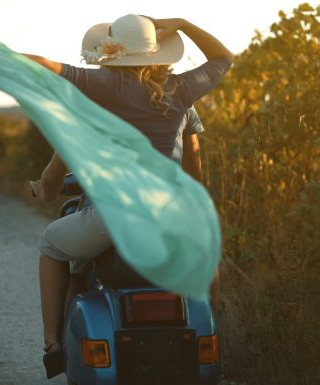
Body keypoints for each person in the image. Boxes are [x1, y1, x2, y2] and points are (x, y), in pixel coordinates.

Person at [23, 14, 232, 377]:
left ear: (112, 55)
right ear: (158, 53)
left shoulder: (100, 90)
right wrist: (182, 23)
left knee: (52, 246)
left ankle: (53, 344)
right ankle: (213, 336)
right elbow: (224, 58)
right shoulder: (181, 93)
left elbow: (49, 73)